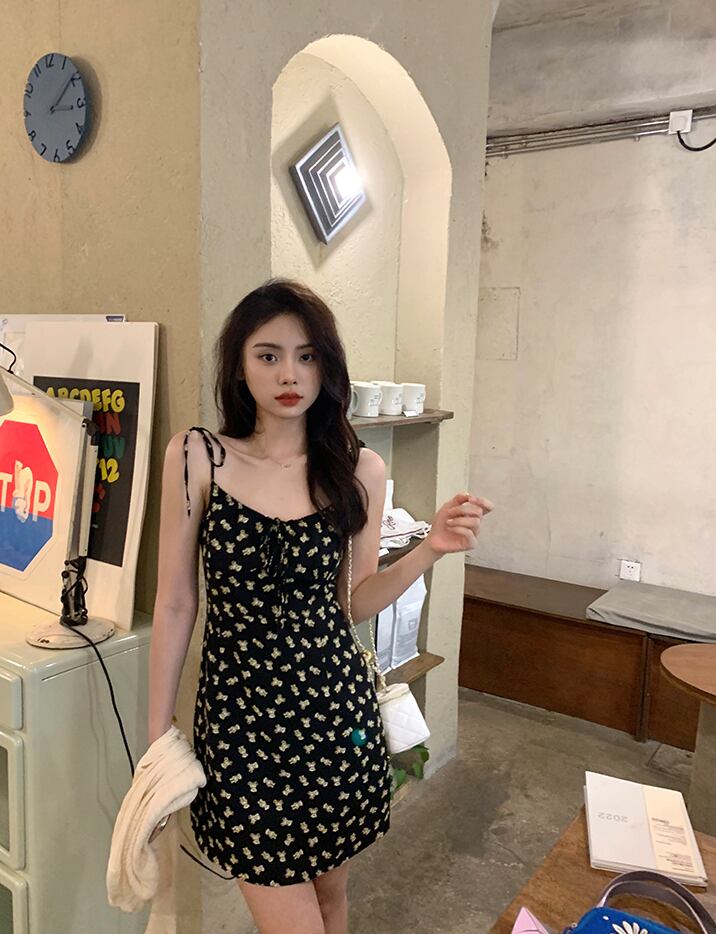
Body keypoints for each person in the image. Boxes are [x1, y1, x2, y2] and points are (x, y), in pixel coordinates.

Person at [148, 279, 493, 934]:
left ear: (327, 367)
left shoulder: (357, 470)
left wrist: (431, 549)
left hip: (335, 716)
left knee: (332, 901)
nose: (289, 374)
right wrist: (155, 736)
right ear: (238, 364)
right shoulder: (198, 456)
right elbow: (174, 603)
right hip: (239, 727)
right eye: (268, 355)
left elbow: (353, 603)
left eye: (307, 356)